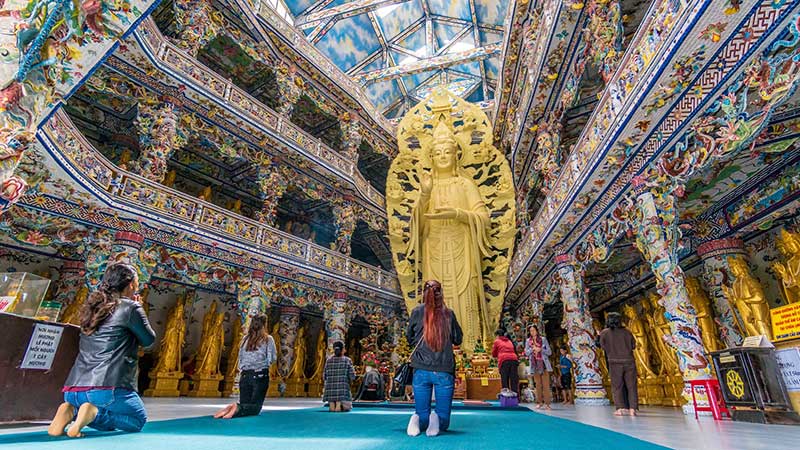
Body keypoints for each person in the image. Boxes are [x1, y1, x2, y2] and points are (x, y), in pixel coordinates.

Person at [48, 263, 156, 438]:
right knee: (136, 420)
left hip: (73, 389)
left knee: (84, 405)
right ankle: (93, 413)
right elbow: (149, 340)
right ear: (131, 285)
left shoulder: (92, 307)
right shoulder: (130, 307)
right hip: (107, 387)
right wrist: (140, 309)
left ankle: (70, 411)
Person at [406, 280, 463, 437]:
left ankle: (417, 419)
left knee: (421, 411)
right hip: (443, 370)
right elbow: (458, 339)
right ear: (441, 294)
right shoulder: (448, 314)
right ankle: (436, 420)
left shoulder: (416, 312)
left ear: (424, 293)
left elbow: (409, 337)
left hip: (420, 369)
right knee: (444, 422)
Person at [213, 314, 277, 418]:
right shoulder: (268, 339)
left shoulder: (245, 339)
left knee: (245, 405)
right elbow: (272, 358)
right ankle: (235, 407)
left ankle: (234, 408)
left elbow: (240, 356)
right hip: (260, 375)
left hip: (244, 375)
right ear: (264, 324)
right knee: (255, 408)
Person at [599, 312, 638, 416]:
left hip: (614, 362)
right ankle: (632, 409)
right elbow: (634, 345)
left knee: (617, 386)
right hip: (629, 361)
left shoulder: (605, 333)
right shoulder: (627, 332)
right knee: (631, 386)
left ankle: (620, 408)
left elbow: (602, 346)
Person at [524, 325, 553, 410]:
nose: (532, 332)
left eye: (533, 330)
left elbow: (549, 352)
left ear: (537, 331)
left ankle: (547, 403)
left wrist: (540, 350)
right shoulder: (528, 341)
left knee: (546, 385)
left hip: (543, 364)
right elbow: (526, 352)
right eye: (531, 331)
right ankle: (539, 402)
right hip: (534, 365)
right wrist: (533, 349)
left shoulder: (543, 339)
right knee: (538, 385)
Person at [323, 341, 356, 412]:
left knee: (332, 391)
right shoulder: (347, 360)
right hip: (342, 391)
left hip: (330, 390)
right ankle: (339, 404)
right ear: (342, 349)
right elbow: (352, 375)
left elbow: (324, 376)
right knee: (347, 407)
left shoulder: (328, 360)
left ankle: (332, 404)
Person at [491, 329, 519, 394]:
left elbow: (493, 353)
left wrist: (495, 355)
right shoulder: (509, 341)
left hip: (504, 360)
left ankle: (506, 396)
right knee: (513, 379)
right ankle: (515, 396)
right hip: (514, 360)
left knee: (505, 379)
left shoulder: (497, 341)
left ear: (497, 335)